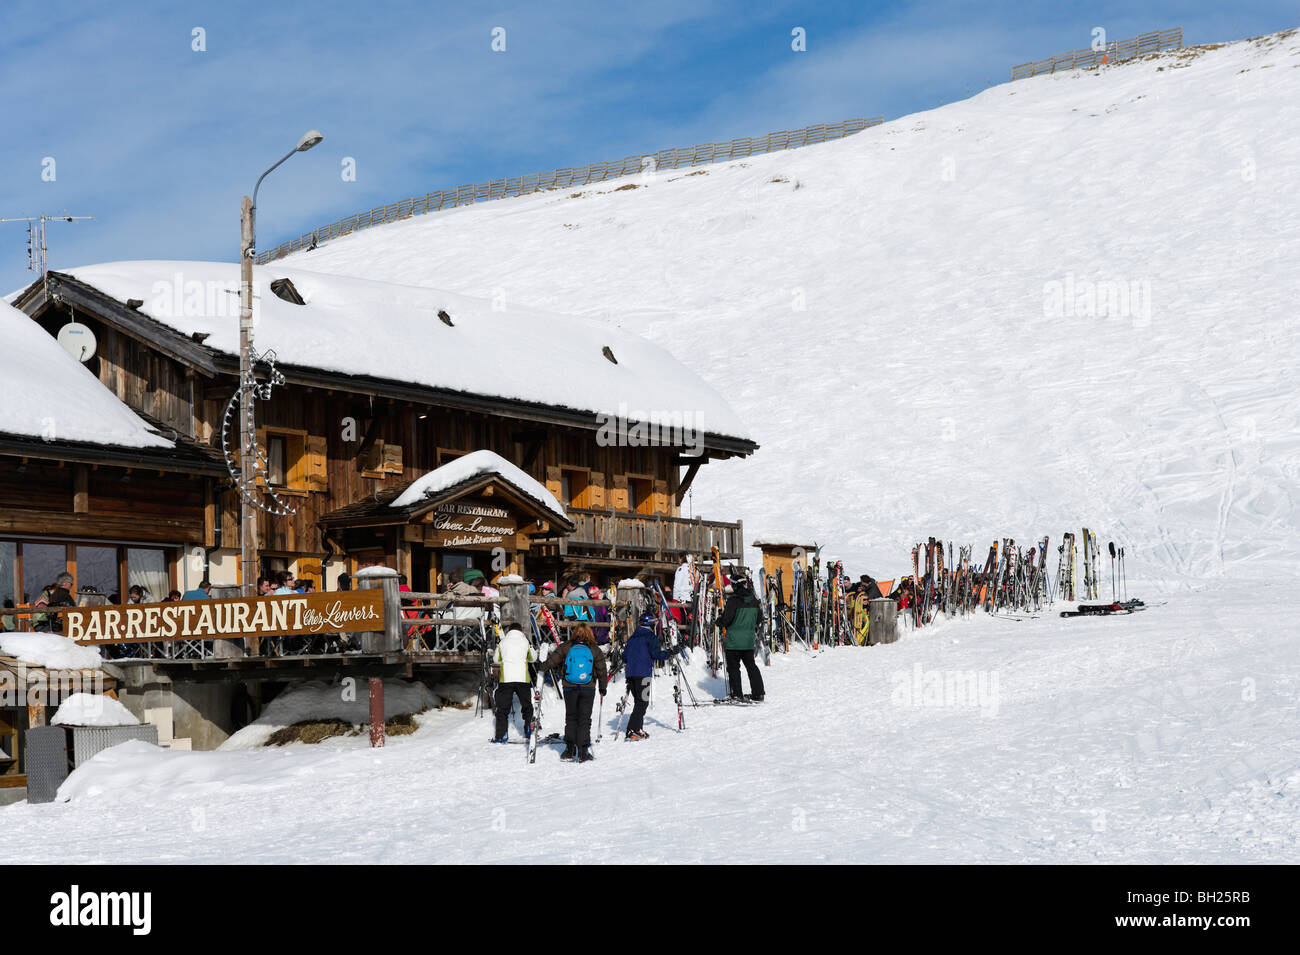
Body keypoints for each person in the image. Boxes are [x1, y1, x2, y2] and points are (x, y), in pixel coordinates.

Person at [536, 622, 608, 762]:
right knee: (584, 719)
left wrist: (541, 666)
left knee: (571, 717)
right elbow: (601, 669)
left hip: (569, 686)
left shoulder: (566, 646)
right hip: (588, 687)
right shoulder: (594, 649)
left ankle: (570, 749)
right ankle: (583, 751)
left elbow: (553, 661)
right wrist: (602, 687)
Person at [622, 611, 678, 740]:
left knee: (638, 702)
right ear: (651, 624)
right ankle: (633, 729)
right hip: (643, 674)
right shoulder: (650, 637)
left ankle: (637, 728)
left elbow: (624, 656)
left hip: (630, 673)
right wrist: (669, 653)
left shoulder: (632, 637)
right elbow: (656, 654)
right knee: (642, 702)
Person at [719, 571, 765, 702]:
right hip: (748, 641)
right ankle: (758, 693)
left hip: (733, 641)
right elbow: (759, 618)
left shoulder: (733, 601)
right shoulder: (754, 601)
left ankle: (737, 694)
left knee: (733, 668)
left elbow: (726, 619)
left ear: (734, 586)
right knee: (751, 666)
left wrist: (719, 622)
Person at [490, 618, 536, 743]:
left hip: (506, 679)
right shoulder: (525, 642)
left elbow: (496, 660)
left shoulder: (503, 642)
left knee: (503, 708)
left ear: (509, 631)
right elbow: (533, 658)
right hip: (522, 679)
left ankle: (501, 734)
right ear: (521, 631)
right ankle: (529, 729)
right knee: (527, 706)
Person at [672, 553, 694, 623]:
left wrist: (675, 598)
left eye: (678, 558)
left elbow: (677, 584)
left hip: (683, 598)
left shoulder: (681, 569)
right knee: (690, 620)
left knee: (683, 619)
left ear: (681, 558)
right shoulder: (692, 569)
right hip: (692, 598)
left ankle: (684, 633)